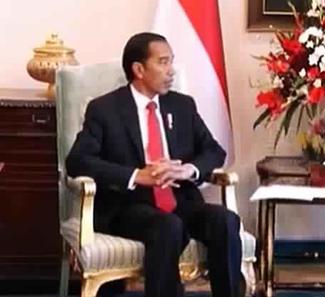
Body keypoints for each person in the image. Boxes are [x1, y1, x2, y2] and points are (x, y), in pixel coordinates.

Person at [66, 32, 242, 297]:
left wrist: (188, 170)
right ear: (139, 69)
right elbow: (78, 161)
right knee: (168, 227)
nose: (171, 70)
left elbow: (214, 151)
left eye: (171, 61)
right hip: (129, 206)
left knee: (226, 221)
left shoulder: (182, 105)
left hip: (179, 199)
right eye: (163, 62)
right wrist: (137, 175)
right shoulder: (105, 109)